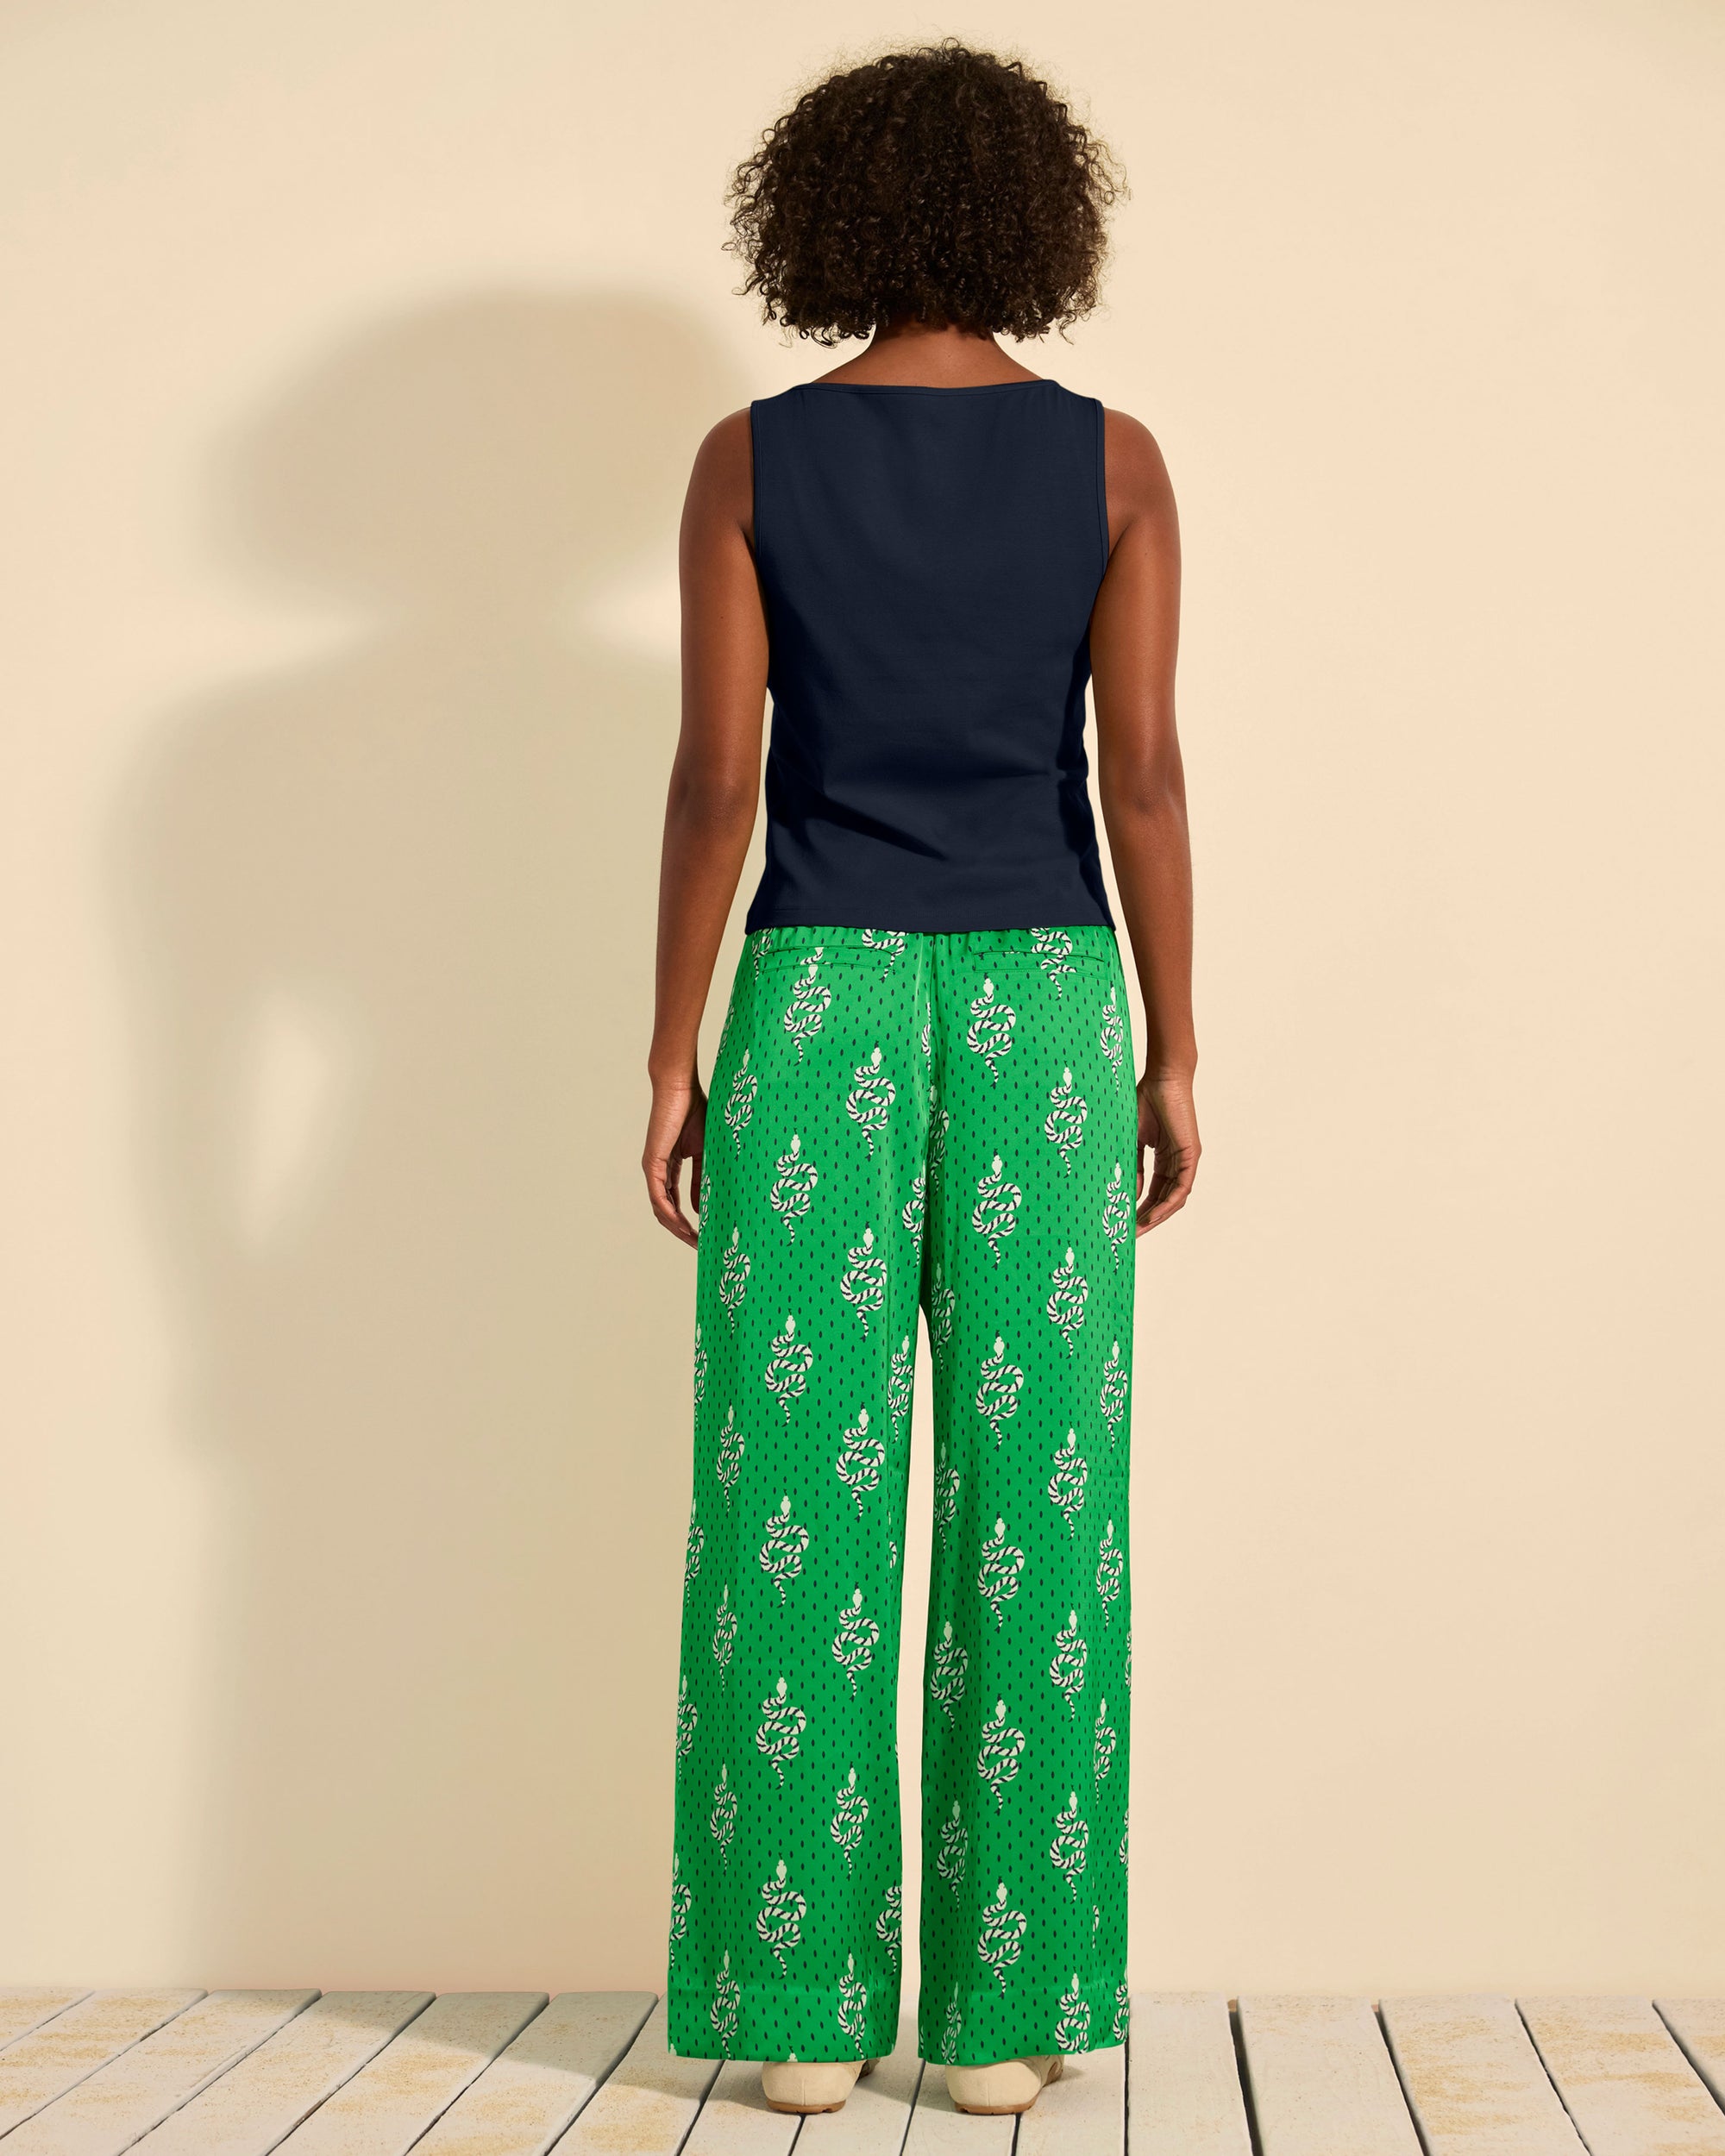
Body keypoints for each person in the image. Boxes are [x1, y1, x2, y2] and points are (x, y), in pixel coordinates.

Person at [643, 39, 1197, 2121]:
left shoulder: (750, 459)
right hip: (1049, 1000)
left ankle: (796, 2012)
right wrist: (1174, 1042)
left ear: (824, 221)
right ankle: (1003, 2013)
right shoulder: (1115, 463)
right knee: (1042, 1498)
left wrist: (672, 1045)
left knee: (790, 1498)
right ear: (1036, 217)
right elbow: (1141, 775)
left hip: (815, 1001)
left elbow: (720, 780)